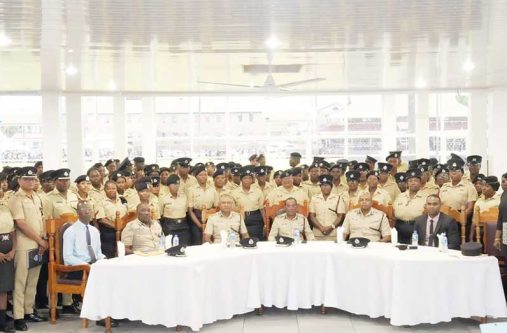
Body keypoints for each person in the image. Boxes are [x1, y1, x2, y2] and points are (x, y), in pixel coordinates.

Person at [62, 201, 114, 327]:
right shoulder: (70, 231)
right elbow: (67, 257)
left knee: (114, 274)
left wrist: (105, 260)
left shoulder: (94, 231)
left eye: (89, 209)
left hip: (93, 266)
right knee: (100, 280)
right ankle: (101, 316)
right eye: (83, 209)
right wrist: (87, 265)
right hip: (77, 269)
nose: (87, 211)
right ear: (77, 213)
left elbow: (97, 253)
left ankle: (112, 313)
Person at [7, 167, 47, 331]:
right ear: (19, 180)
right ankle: (18, 317)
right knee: (20, 282)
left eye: (33, 179)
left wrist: (42, 239)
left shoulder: (36, 196)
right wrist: (39, 240)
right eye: (27, 179)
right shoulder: (16, 198)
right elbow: (20, 223)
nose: (31, 182)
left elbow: (41, 218)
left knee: (33, 281)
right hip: (24, 245)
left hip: (38, 244)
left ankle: (29, 311)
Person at [439, 158, 477, 240]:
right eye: (452, 171)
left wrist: (461, 217)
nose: (454, 173)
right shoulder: (444, 186)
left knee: (459, 243)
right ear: (449, 173)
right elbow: (439, 203)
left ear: (462, 173)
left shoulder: (469, 186)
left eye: (457, 171)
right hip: (444, 218)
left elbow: (471, 207)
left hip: (462, 218)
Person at [393, 169, 426, 244]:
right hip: (399, 227)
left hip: (416, 228)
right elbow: (393, 212)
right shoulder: (400, 196)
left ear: (420, 183)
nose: (413, 183)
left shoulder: (426, 197)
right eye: (410, 181)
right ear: (407, 183)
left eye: (416, 181)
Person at [187, 166, 219, 245]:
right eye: (201, 175)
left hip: (210, 219)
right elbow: (190, 211)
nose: (203, 177)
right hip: (196, 219)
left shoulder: (212, 189)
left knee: (210, 243)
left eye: (205, 174)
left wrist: (209, 223)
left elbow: (216, 207)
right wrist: (200, 226)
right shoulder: (191, 190)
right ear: (196, 177)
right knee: (198, 244)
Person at [231, 167, 265, 240]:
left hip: (255, 219)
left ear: (252, 180)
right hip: (240, 218)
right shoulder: (234, 193)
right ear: (241, 180)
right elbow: (232, 210)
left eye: (249, 178)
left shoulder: (258, 191)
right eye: (245, 178)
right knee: (243, 241)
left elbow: (262, 209)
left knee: (256, 240)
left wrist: (265, 223)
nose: (247, 180)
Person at [309, 175, 346, 240]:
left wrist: (331, 227)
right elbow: (312, 216)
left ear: (331, 186)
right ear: (320, 186)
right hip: (317, 234)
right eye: (323, 185)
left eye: (327, 185)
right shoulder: (314, 198)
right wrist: (321, 228)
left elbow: (341, 216)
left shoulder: (338, 198)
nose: (325, 187)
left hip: (333, 234)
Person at [99, 181, 127, 258]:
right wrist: (117, 226)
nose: (111, 190)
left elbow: (128, 214)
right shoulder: (101, 202)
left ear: (116, 189)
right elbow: (102, 219)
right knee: (110, 256)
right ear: (104, 190)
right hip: (109, 232)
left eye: (113, 188)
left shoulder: (122, 200)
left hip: (124, 230)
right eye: (108, 189)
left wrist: (122, 227)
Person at [159, 175, 190, 246]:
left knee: (184, 247)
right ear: (168, 186)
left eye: (177, 184)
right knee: (171, 247)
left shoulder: (183, 196)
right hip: (170, 226)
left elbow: (186, 211)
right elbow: (160, 213)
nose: (176, 186)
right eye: (173, 184)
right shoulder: (163, 198)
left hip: (183, 226)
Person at [0, 201, 16, 332]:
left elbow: (13, 233)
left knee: (4, 288)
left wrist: (13, 250)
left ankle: (2, 321)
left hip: (8, 253)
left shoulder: (5, 207)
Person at [494, 173, 507, 252]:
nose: (505, 182)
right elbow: (500, 218)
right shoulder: (503, 195)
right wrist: (497, 238)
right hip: (506, 228)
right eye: (503, 181)